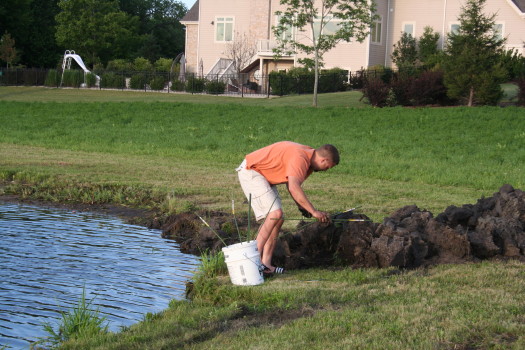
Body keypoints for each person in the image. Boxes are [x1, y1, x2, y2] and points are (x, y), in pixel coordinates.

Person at [236, 141, 339, 275]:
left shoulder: (308, 161)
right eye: (327, 166)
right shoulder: (301, 158)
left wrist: (302, 207)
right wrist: (314, 212)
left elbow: (291, 184)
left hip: (264, 176)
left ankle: (266, 265)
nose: (326, 170)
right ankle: (252, 261)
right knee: (275, 214)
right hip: (252, 170)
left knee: (279, 218)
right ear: (324, 159)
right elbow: (293, 187)